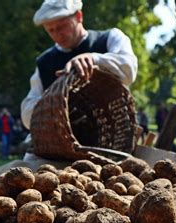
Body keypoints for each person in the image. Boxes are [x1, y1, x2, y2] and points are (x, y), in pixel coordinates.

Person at [21, 0, 138, 132]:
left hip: (113, 135)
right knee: (30, 153)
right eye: (50, 30)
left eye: (62, 26)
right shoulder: (44, 62)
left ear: (79, 16)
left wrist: (94, 59)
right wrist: (50, 105)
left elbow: (129, 70)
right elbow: (27, 115)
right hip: (61, 142)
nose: (57, 34)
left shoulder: (110, 38)